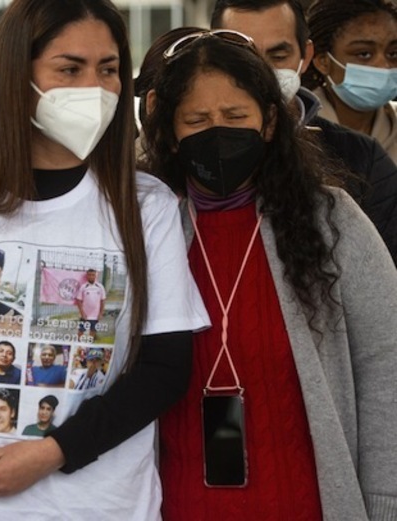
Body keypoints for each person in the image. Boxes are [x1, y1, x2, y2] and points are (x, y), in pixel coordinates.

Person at [0, 0, 209, 518]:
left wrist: (54, 453)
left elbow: (165, 368)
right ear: (19, 76)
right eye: (69, 68)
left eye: (108, 68)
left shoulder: (144, 204)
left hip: (102, 505)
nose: (94, 86)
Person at [142, 30, 397, 519]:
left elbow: (385, 367)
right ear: (171, 133)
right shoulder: (150, 229)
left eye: (236, 117)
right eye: (197, 120)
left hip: (306, 503)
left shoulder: (330, 220)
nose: (217, 131)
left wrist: (385, 503)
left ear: (269, 121)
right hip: (181, 504)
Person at [210, 0, 397, 263]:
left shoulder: (362, 158)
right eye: (245, 55)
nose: (262, 71)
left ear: (306, 56)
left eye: (278, 56)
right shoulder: (188, 149)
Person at [303, 0, 397, 162]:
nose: (384, 65)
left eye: (393, 53)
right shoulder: (297, 129)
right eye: (364, 54)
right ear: (323, 62)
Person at [75, 268, 106, 341]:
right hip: (85, 315)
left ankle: (89, 345)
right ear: (87, 276)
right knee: (81, 331)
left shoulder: (100, 287)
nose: (91, 277)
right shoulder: (83, 287)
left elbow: (103, 301)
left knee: (93, 331)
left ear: (96, 276)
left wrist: (101, 313)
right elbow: (79, 300)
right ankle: (78, 344)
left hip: (95, 316)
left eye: (93, 275)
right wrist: (82, 313)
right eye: (89, 275)